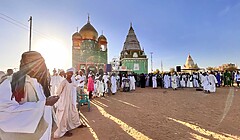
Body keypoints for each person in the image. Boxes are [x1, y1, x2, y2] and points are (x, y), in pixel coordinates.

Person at [0, 51, 59, 140]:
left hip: (43, 134)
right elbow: (4, 111)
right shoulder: (9, 83)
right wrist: (44, 103)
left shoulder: (38, 84)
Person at [54, 68, 85, 138]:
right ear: (66, 73)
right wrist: (57, 98)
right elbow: (58, 92)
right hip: (64, 101)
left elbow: (75, 85)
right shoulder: (64, 82)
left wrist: (80, 81)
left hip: (70, 100)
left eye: (71, 73)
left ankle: (76, 124)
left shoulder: (72, 81)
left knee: (74, 111)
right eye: (69, 73)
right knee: (64, 115)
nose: (70, 74)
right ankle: (63, 131)